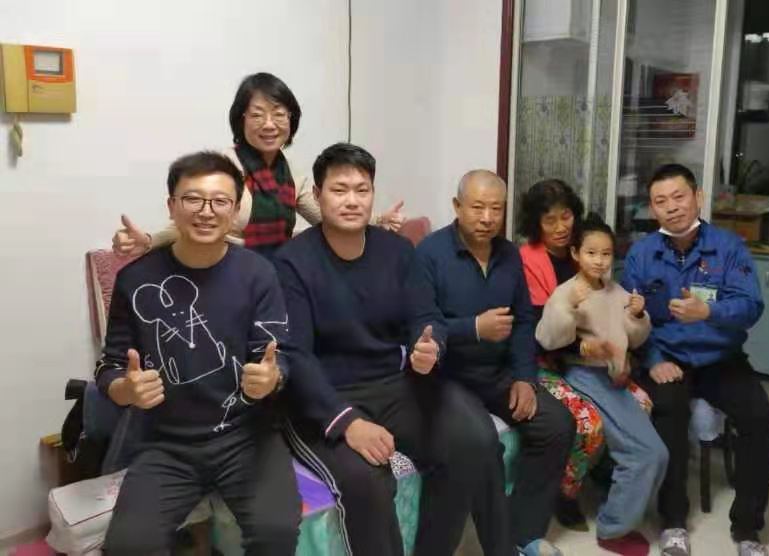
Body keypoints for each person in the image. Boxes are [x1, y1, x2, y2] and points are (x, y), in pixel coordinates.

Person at [273, 144, 500, 556]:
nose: (352, 200)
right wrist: (348, 423)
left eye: (362, 190)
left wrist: (428, 344)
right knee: (367, 481)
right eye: (339, 190)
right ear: (318, 196)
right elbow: (296, 356)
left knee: (474, 437)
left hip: (394, 382)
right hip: (326, 395)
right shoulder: (291, 262)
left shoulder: (396, 250)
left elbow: (425, 315)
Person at [95, 151, 301, 555]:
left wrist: (271, 378)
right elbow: (111, 366)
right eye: (193, 199)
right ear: (172, 205)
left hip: (247, 436)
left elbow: (279, 356)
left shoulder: (258, 273)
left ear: (236, 211)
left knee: (276, 531)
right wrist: (126, 390)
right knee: (128, 546)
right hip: (165, 443)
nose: (206, 212)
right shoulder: (135, 279)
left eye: (220, 201)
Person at [415, 169, 576, 556]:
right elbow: (420, 325)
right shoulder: (429, 254)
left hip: (498, 373)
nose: (487, 218)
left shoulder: (509, 254)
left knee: (557, 425)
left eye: (496, 209)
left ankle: (522, 535)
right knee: (482, 441)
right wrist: (474, 328)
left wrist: (524, 377)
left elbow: (523, 321)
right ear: (457, 207)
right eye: (477, 207)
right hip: (448, 377)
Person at [622, 163, 769, 556]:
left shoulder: (728, 247)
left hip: (721, 356)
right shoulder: (641, 255)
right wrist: (653, 358)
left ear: (698, 197)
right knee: (669, 413)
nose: (672, 207)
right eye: (661, 201)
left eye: (679, 196)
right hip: (668, 356)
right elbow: (628, 318)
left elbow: (751, 306)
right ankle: (673, 522)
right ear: (652, 209)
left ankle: (748, 530)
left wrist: (709, 311)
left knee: (760, 420)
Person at [111, 72, 405, 260]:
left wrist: (379, 220)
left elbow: (328, 214)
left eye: (278, 114)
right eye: (257, 115)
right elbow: (193, 222)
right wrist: (149, 241)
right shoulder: (223, 168)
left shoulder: (291, 172)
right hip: (227, 270)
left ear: (291, 119)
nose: (269, 124)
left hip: (278, 274)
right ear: (240, 120)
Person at [536, 213, 668, 556]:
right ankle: (613, 529)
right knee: (645, 453)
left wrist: (637, 316)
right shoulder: (568, 292)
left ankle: (618, 510)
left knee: (655, 452)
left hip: (614, 376)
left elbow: (635, 339)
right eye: (591, 253)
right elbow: (548, 339)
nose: (599, 260)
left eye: (606, 253)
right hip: (585, 376)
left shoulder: (617, 291)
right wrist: (568, 307)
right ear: (576, 253)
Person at [516, 179, 606, 529]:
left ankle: (603, 480)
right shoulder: (527, 259)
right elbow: (541, 330)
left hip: (585, 355)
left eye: (566, 216)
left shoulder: (583, 250)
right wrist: (583, 345)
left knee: (639, 400)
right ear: (536, 223)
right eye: (549, 219)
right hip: (545, 359)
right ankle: (565, 495)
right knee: (588, 420)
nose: (560, 227)